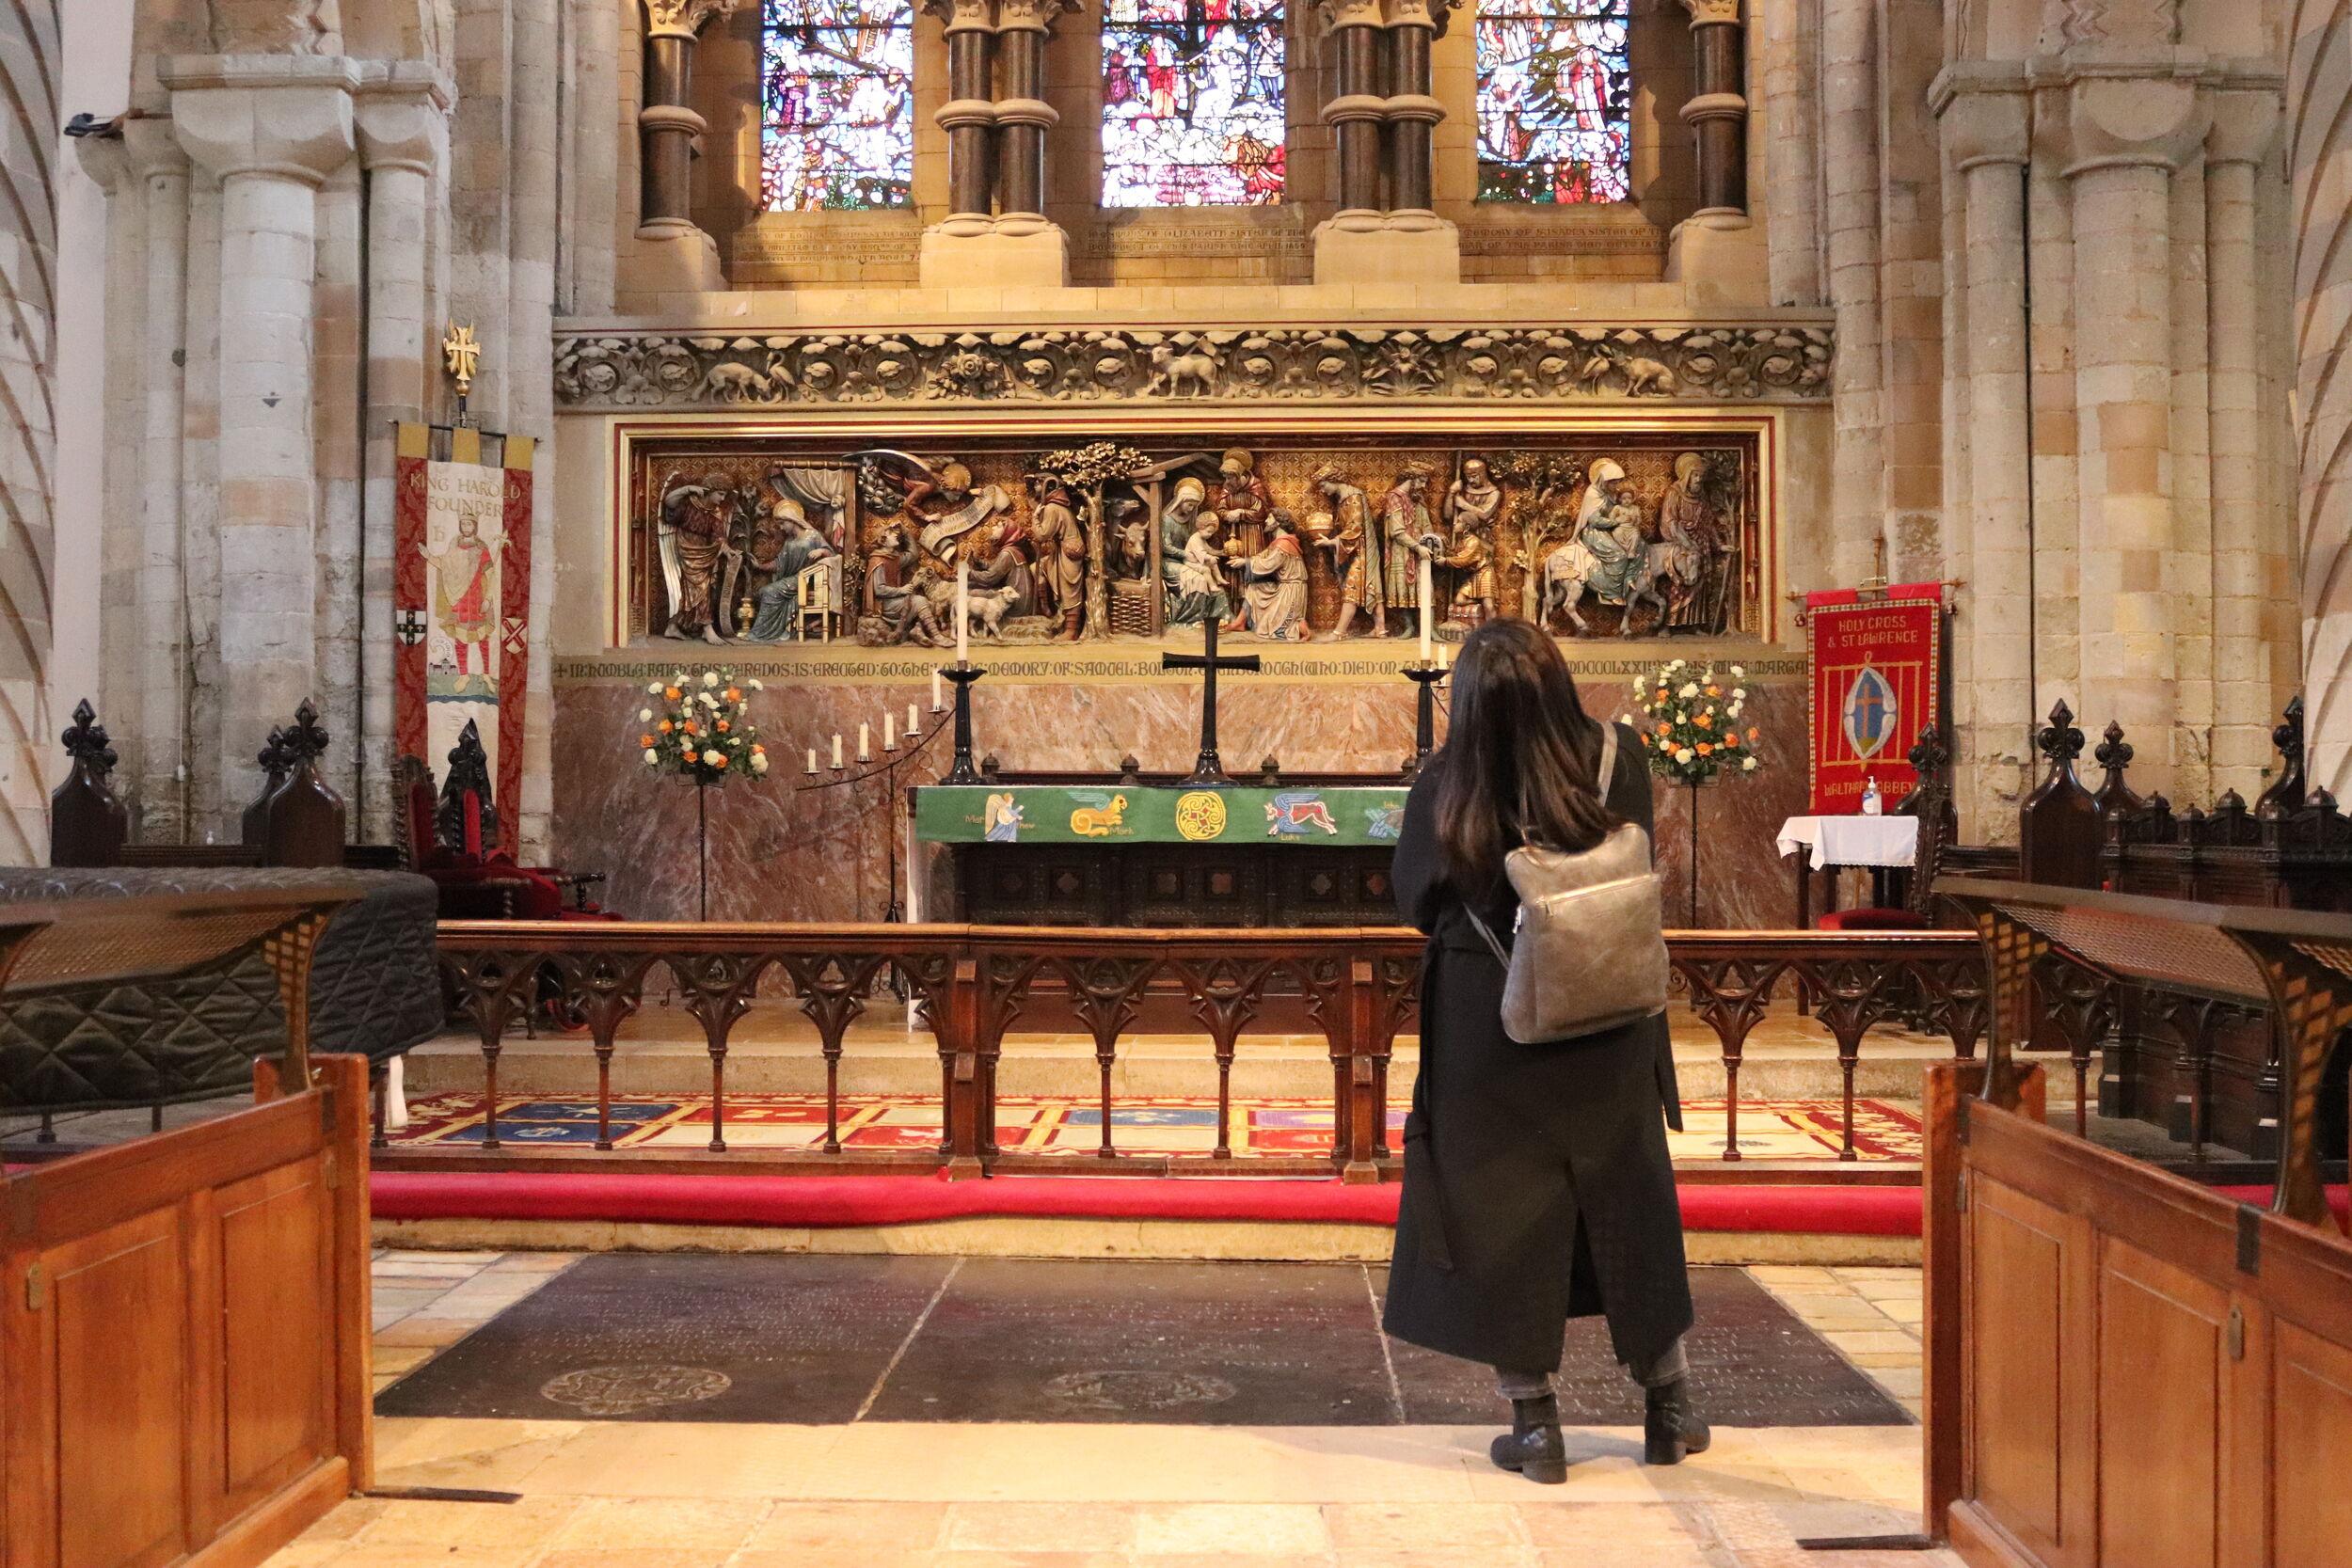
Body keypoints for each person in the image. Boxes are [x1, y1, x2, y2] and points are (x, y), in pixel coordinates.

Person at [1384, 617, 1706, 1485]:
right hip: (1608, 1011)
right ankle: (1670, 1405)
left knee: (1502, 1213)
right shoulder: (1620, 757)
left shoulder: (1448, 781)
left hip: (1491, 1026)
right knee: (1629, 1202)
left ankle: (1535, 1424)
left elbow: (1417, 898)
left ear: (1468, 699)